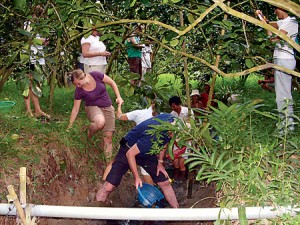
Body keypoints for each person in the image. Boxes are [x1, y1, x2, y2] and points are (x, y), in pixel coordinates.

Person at [96, 113, 179, 208]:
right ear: (170, 131)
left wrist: (160, 162)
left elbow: (165, 142)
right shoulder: (153, 136)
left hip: (147, 152)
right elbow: (130, 154)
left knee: (165, 182)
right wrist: (136, 177)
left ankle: (177, 213)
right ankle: (94, 212)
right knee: (108, 186)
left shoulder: (173, 122)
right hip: (128, 149)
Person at [68, 69, 123, 180]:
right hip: (92, 108)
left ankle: (108, 166)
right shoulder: (79, 90)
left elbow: (112, 82)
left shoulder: (96, 75)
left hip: (108, 107)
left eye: (78, 83)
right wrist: (70, 126)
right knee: (100, 122)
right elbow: (75, 109)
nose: (78, 86)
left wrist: (118, 96)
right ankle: (89, 133)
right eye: (76, 85)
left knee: (108, 137)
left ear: (83, 77)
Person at [256, 8, 298, 132]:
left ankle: (287, 128)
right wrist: (260, 16)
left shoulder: (292, 22)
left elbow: (275, 38)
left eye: (276, 9)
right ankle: (286, 126)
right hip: (281, 60)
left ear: (284, 8)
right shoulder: (284, 22)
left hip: (285, 60)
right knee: (282, 94)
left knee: (283, 95)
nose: (275, 12)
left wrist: (267, 30)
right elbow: (268, 24)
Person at [116, 101, 157, 185]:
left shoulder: (139, 113)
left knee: (115, 162)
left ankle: (105, 180)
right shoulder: (162, 117)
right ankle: (150, 195)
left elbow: (119, 116)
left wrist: (119, 105)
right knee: (146, 170)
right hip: (145, 146)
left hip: (128, 142)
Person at [22, 5, 50, 119]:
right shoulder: (27, 24)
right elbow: (28, 39)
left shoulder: (41, 26)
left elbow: (40, 41)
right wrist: (41, 41)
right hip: (29, 57)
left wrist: (45, 41)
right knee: (28, 84)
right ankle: (28, 110)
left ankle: (37, 110)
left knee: (36, 84)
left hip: (38, 57)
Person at [169, 96, 191, 174]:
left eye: (173, 106)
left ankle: (182, 181)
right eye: (171, 106)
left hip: (186, 139)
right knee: (175, 163)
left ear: (179, 104)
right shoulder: (172, 114)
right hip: (175, 140)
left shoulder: (188, 111)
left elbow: (192, 125)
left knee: (182, 164)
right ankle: (177, 181)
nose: (172, 108)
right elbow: (170, 128)